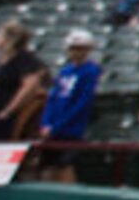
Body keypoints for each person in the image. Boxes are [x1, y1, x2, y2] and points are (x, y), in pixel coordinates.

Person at [30, 29, 103, 179]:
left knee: (65, 166)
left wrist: (58, 126)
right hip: (52, 128)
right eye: (73, 48)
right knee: (47, 167)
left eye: (81, 49)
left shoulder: (90, 71)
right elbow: (52, 99)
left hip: (71, 129)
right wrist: (46, 123)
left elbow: (82, 102)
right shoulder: (64, 71)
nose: (76, 52)